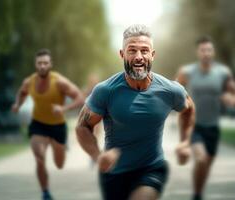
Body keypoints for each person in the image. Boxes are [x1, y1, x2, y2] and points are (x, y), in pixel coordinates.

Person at [76, 24, 195, 200]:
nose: (139, 56)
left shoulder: (170, 90)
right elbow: (82, 127)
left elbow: (188, 110)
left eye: (144, 51)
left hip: (151, 168)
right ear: (122, 54)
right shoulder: (106, 90)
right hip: (113, 172)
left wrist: (185, 141)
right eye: (132, 50)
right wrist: (97, 156)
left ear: (152, 55)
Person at [176, 36, 235, 200]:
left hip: (213, 127)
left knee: (206, 165)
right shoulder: (187, 72)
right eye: (203, 50)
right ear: (197, 52)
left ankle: (198, 193)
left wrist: (232, 100)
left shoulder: (222, 73)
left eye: (209, 50)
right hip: (194, 126)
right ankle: (197, 195)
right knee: (201, 159)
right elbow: (173, 90)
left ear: (213, 52)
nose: (206, 53)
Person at [11, 49, 84, 200]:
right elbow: (22, 93)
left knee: (59, 164)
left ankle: (61, 145)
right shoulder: (29, 81)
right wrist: (18, 104)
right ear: (35, 65)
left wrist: (63, 108)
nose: (42, 66)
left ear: (50, 64)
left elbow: (80, 98)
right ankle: (45, 192)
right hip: (38, 124)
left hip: (57, 126)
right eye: (39, 63)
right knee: (39, 157)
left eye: (45, 63)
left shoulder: (59, 82)